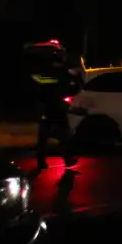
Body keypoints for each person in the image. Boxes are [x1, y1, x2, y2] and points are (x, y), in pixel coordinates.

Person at [25, 41, 79, 170]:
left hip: (47, 105)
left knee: (45, 134)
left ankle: (43, 161)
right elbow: (65, 84)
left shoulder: (44, 69)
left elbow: (38, 83)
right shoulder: (58, 69)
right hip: (54, 105)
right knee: (62, 133)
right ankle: (66, 159)